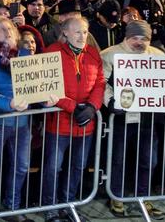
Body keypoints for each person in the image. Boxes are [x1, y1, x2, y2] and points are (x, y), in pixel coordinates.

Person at [0, 17, 41, 216]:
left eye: (11, 28)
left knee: (22, 166)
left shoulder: (24, 55)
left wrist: (45, 98)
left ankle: (13, 206)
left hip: (23, 123)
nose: (9, 31)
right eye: (2, 29)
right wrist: (9, 103)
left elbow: (36, 86)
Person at [100, 20, 165, 219]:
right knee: (118, 159)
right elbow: (102, 82)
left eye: (144, 38)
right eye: (135, 38)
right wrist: (110, 102)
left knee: (149, 160)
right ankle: (116, 196)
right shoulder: (109, 54)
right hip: (120, 117)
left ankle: (143, 197)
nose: (139, 42)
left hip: (147, 117)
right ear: (127, 37)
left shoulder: (158, 55)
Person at [41, 16, 104, 221]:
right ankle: (50, 207)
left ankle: (68, 205)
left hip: (85, 123)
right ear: (66, 33)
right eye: (77, 32)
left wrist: (93, 107)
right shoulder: (53, 52)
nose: (82, 36)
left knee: (77, 166)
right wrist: (72, 106)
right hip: (59, 122)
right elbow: (47, 86)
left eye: (85, 32)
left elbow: (100, 83)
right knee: (53, 168)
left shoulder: (93, 54)